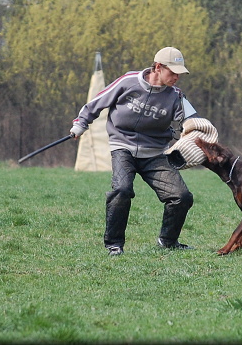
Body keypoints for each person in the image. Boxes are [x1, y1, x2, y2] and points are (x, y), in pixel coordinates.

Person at [70, 46, 196, 256]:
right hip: (123, 146)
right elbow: (95, 103)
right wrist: (80, 124)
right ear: (157, 67)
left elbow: (193, 120)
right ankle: (114, 244)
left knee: (181, 196)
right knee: (121, 190)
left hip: (155, 153)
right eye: (172, 72)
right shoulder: (128, 81)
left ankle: (168, 241)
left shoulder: (176, 96)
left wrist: (196, 133)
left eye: (179, 73)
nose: (176, 77)